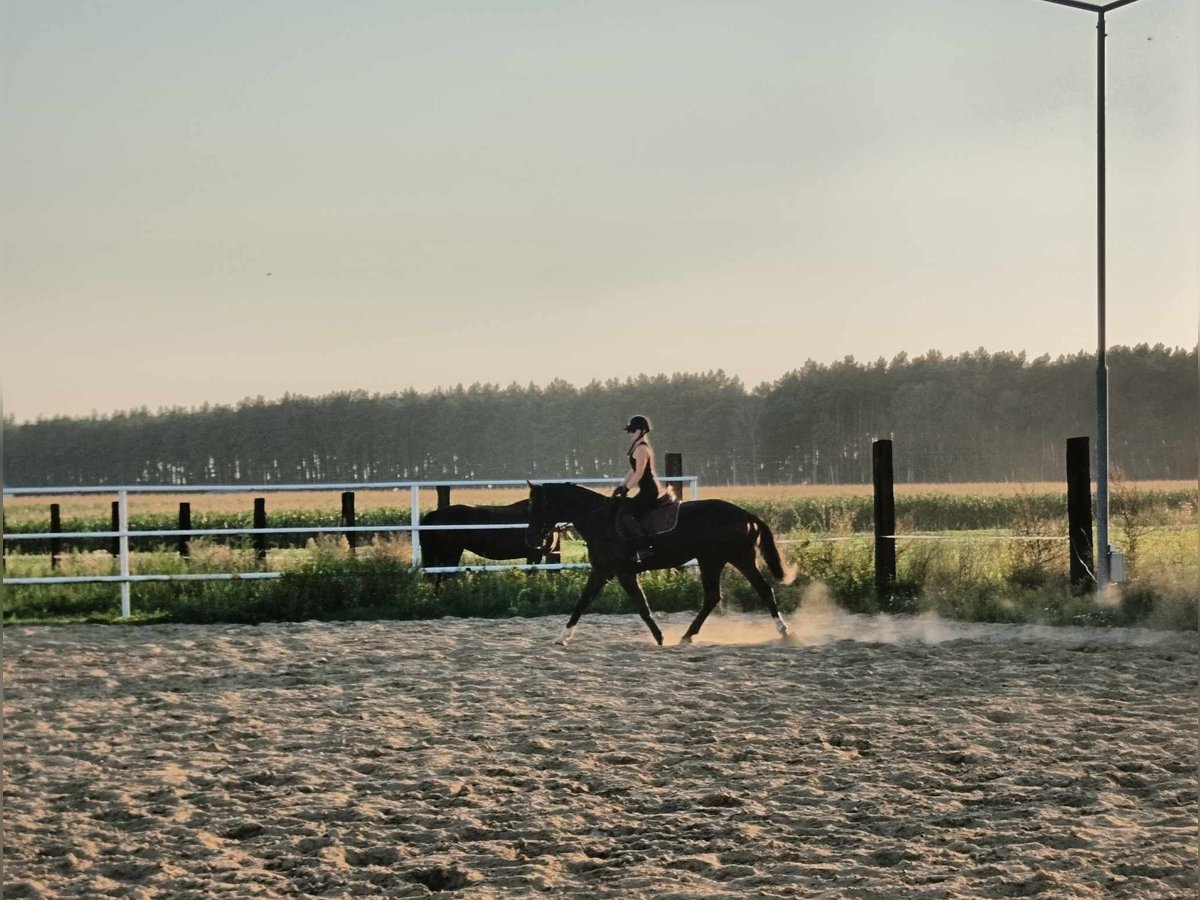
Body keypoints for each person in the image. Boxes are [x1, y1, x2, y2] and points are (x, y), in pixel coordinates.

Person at [612, 414, 668, 563]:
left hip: (649, 490)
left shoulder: (642, 449)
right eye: (630, 431)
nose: (631, 433)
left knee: (627, 514)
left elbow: (639, 472)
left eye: (633, 430)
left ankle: (644, 547)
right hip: (646, 489)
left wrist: (626, 489)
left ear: (642, 430)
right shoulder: (638, 447)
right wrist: (622, 485)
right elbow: (632, 470)